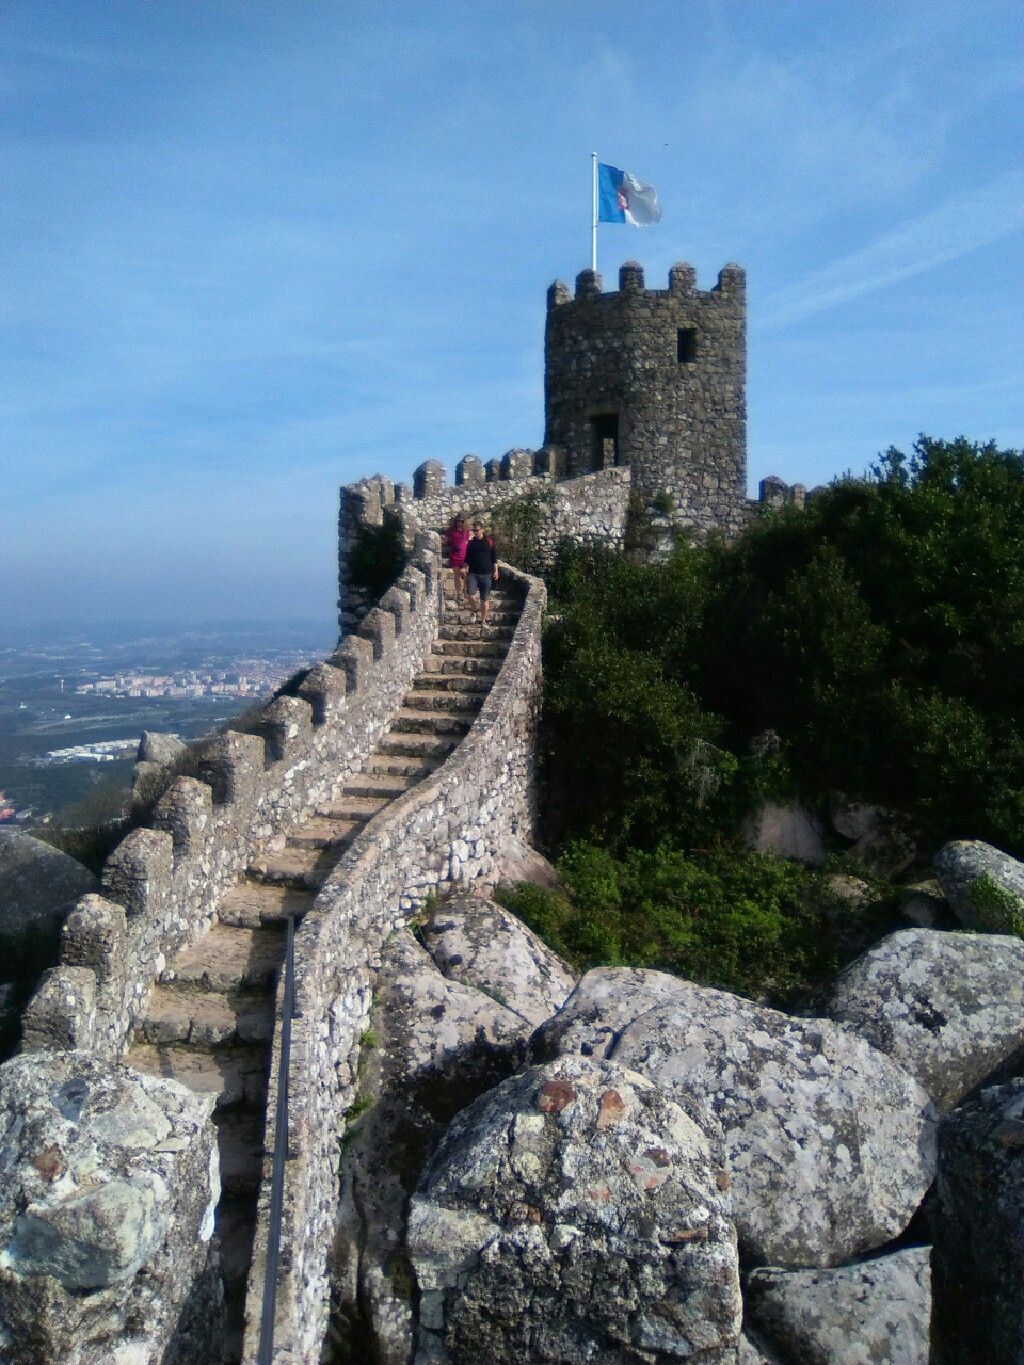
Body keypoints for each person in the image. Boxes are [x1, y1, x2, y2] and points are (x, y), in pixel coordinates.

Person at [464, 521, 499, 625]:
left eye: (477, 530)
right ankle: (474, 610)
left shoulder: (489, 541)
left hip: (486, 574)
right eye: (473, 530)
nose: (475, 532)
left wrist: (496, 570)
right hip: (473, 573)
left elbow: (494, 557)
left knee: (484, 599)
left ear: (482, 530)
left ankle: (483, 620)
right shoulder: (471, 543)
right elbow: (467, 558)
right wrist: (464, 568)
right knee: (470, 594)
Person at [444, 514, 469, 601]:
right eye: (458, 520)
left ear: (464, 521)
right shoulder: (451, 530)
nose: (460, 523)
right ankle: (459, 593)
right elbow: (445, 540)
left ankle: (465, 590)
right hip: (454, 555)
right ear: (455, 521)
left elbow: (469, 541)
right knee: (457, 575)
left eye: (462, 521)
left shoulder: (467, 530)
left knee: (465, 574)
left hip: (465, 556)